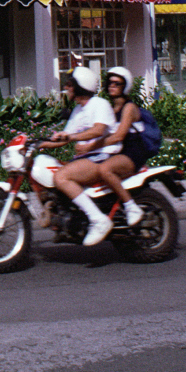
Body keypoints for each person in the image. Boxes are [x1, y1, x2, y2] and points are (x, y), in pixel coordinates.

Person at [35, 62, 118, 245]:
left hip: (104, 157)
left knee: (61, 177)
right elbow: (65, 138)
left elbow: (98, 130)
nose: (66, 88)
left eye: (70, 84)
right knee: (51, 171)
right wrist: (37, 143)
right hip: (89, 158)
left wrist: (71, 137)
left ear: (80, 86)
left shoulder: (99, 104)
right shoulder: (78, 111)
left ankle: (98, 220)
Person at [60, 65, 150, 226]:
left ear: (125, 86)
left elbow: (118, 136)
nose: (112, 86)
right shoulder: (112, 107)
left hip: (132, 151)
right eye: (110, 83)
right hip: (119, 151)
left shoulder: (129, 108)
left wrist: (90, 147)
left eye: (117, 83)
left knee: (104, 169)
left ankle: (131, 207)